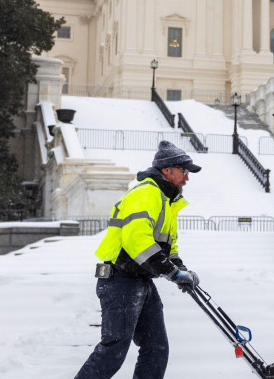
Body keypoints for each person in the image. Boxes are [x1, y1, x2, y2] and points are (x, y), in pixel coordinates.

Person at [74, 140, 202, 379]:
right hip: (118, 279)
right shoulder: (146, 194)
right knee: (113, 350)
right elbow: (138, 243)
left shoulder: (166, 200)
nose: (187, 178)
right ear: (168, 170)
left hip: (139, 279)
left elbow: (168, 247)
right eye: (184, 171)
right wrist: (173, 274)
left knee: (156, 347)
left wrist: (181, 269)